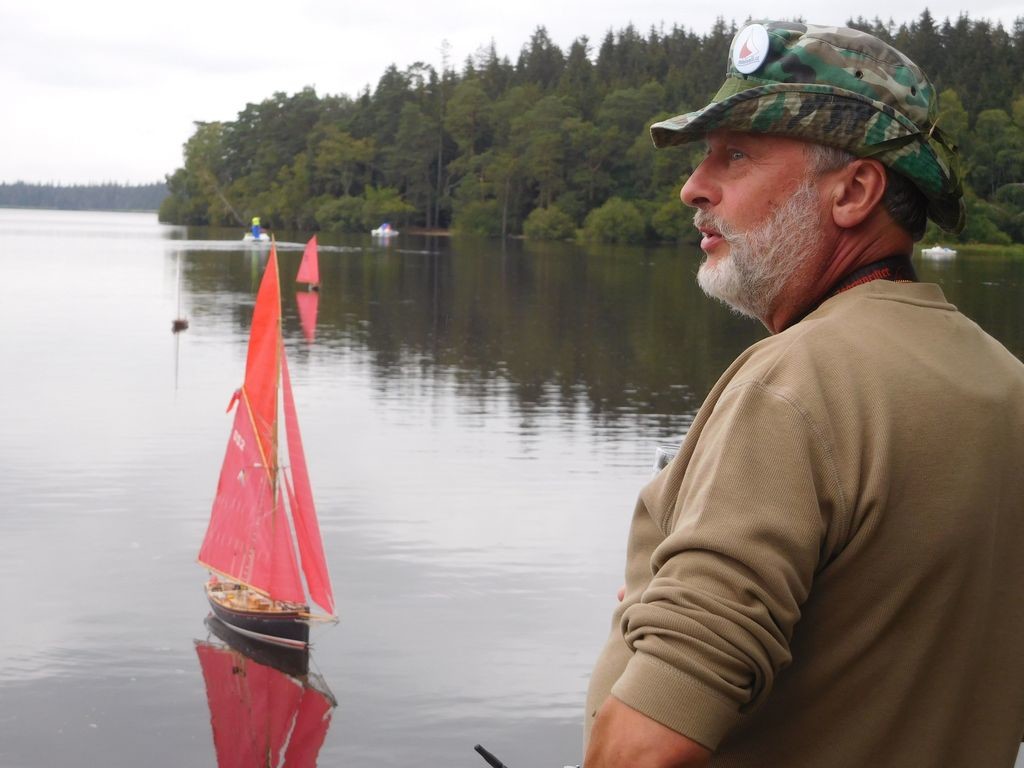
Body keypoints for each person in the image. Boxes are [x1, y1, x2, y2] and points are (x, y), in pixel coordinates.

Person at [584, 20, 1024, 768]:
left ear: (853, 192)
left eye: (736, 155)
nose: (694, 186)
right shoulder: (1005, 383)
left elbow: (645, 747)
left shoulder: (795, 383)